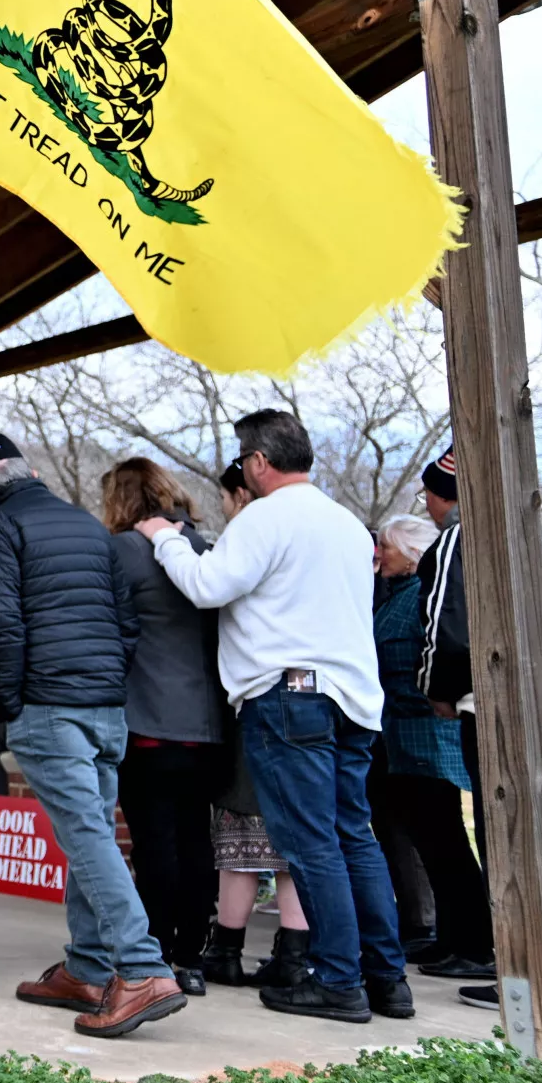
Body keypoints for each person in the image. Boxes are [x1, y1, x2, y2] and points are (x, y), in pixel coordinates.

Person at [140, 408, 409, 1024]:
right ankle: (386, 980)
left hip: (291, 695)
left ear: (259, 462)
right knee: (353, 837)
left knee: (309, 841)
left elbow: (209, 586)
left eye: (245, 460)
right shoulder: (345, 524)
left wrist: (165, 539)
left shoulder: (265, 517)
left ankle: (338, 981)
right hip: (354, 700)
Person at [0, 433, 183, 1039]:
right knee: (94, 833)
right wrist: (107, 678)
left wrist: (8, 704)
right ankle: (86, 968)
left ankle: (141, 971)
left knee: (86, 837)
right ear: (31, 471)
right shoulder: (91, 528)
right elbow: (126, 620)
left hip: (48, 705)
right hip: (106, 706)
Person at [416, 447, 542, 873]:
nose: (428, 506)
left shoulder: (459, 539)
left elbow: (445, 627)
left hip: (498, 699)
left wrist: (436, 690)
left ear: (448, 496)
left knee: (503, 827)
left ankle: (512, 938)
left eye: (429, 496)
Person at [101, 459, 227, 994]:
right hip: (207, 727)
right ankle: (192, 956)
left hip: (147, 721)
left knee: (155, 846)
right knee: (197, 840)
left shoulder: (121, 552)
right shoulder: (204, 549)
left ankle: (152, 953)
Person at [197, 459, 309, 991]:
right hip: (313, 703)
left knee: (242, 835)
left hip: (258, 703)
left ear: (240, 493)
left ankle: (226, 949)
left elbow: (211, 596)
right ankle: (292, 954)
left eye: (223, 497)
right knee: (293, 843)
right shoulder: (307, 536)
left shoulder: (249, 538)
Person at [367, 514, 491, 979]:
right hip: (399, 738)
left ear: (414, 553)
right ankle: (449, 937)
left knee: (446, 842)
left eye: (388, 547)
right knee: (430, 843)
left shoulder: (425, 596)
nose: (380, 554)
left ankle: (476, 944)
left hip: (427, 737)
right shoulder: (395, 598)